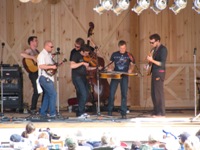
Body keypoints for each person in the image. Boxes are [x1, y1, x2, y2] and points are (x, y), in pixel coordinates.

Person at [107, 40, 135, 119]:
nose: (123, 49)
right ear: (119, 47)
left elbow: (132, 64)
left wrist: (131, 70)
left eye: (124, 48)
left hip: (124, 76)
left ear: (126, 47)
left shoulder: (129, 55)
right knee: (111, 93)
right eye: (121, 48)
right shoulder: (114, 54)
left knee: (124, 94)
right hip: (116, 76)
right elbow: (110, 64)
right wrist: (110, 68)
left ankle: (123, 112)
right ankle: (109, 110)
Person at [147, 33, 168, 118]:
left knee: (158, 93)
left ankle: (161, 112)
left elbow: (162, 63)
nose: (151, 44)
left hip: (159, 72)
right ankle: (156, 111)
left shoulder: (163, 49)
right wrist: (148, 65)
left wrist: (152, 60)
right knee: (153, 93)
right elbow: (152, 62)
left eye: (152, 42)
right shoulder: (154, 50)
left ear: (158, 41)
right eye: (150, 42)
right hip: (154, 72)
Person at [70, 44, 92, 118]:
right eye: (85, 53)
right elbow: (72, 65)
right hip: (77, 77)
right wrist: (82, 63)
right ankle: (80, 113)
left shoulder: (85, 57)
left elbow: (87, 68)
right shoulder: (76, 55)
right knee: (84, 94)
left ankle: (81, 111)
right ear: (82, 51)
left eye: (88, 53)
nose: (87, 54)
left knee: (86, 94)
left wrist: (95, 68)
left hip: (84, 77)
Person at [37, 40, 57, 118]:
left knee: (47, 95)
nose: (52, 48)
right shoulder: (42, 55)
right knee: (53, 94)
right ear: (46, 46)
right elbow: (41, 66)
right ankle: (52, 113)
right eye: (51, 46)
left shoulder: (48, 55)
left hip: (48, 77)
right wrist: (52, 67)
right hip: (44, 77)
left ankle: (43, 112)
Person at [21, 36, 40, 114]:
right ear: (31, 42)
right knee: (36, 90)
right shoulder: (29, 50)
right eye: (35, 40)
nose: (37, 42)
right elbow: (22, 54)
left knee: (39, 90)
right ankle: (32, 108)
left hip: (38, 72)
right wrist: (32, 57)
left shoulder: (37, 52)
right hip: (33, 73)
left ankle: (36, 108)